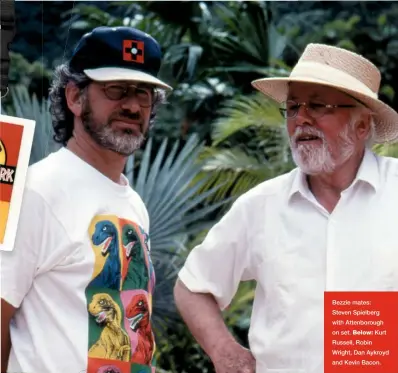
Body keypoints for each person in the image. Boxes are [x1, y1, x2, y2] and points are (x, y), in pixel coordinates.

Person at [173, 43, 398, 373]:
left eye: (318, 106)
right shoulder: (261, 206)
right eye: (293, 107)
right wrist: (224, 352)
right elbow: (193, 286)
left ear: (362, 126)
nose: (301, 119)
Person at [1, 26, 172, 373]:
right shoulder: (34, 191)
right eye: (116, 90)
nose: (132, 105)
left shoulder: (134, 205)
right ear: (75, 98)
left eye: (144, 94)